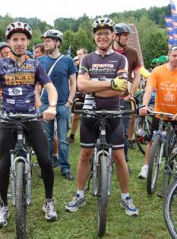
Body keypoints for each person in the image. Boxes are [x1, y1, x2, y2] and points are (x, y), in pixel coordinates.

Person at [0, 21, 58, 226]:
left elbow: (50, 88)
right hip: (7, 120)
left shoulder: (36, 64)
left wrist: (52, 106)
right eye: (14, 39)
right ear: (9, 42)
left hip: (31, 118)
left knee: (46, 160)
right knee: (3, 164)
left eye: (22, 39)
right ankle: (3, 206)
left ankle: (48, 201)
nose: (19, 43)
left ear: (28, 41)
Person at [65, 17, 139, 216]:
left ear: (112, 36)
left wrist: (96, 87)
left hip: (114, 113)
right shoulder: (87, 59)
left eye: (106, 33)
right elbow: (81, 86)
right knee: (85, 155)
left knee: (119, 157)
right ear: (94, 37)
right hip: (90, 113)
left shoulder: (121, 59)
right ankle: (80, 194)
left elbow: (121, 90)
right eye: (99, 34)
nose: (103, 37)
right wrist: (110, 84)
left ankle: (126, 197)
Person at [138, 45, 177, 179]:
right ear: (168, 55)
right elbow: (149, 89)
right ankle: (146, 167)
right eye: (174, 55)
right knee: (151, 140)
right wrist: (144, 105)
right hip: (160, 111)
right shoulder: (157, 71)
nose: (176, 58)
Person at [38, 29, 77, 180]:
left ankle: (65, 168)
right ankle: (47, 168)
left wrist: (69, 102)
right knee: (46, 139)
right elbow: (36, 83)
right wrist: (38, 100)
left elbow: (73, 83)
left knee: (62, 139)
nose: (45, 43)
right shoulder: (41, 61)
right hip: (45, 104)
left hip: (63, 105)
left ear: (57, 42)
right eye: (44, 41)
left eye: (48, 40)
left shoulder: (68, 60)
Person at [113, 23, 141, 161]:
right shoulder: (106, 51)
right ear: (115, 36)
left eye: (127, 35)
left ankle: (122, 159)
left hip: (124, 98)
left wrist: (131, 95)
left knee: (123, 132)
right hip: (106, 99)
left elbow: (138, 76)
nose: (127, 38)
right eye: (124, 35)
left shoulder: (132, 53)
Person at [68, 47, 88, 144]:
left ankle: (87, 135)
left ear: (85, 55)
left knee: (88, 116)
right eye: (77, 54)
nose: (78, 56)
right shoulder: (75, 67)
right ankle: (72, 135)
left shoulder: (89, 65)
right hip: (78, 94)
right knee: (76, 115)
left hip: (88, 93)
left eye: (80, 54)